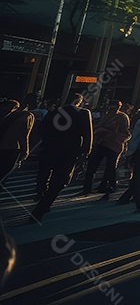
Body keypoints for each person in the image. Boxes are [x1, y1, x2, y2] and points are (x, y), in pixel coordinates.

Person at [31, 94, 93, 223]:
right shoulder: (83, 113)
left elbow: (41, 130)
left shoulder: (53, 112)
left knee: (43, 174)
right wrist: (85, 152)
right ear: (79, 102)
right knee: (59, 180)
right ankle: (42, 207)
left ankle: (41, 192)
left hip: (49, 149)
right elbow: (87, 135)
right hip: (69, 152)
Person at [81, 100, 129, 198]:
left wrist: (112, 137)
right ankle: (88, 187)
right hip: (102, 143)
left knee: (110, 167)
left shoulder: (122, 117)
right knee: (93, 165)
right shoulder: (106, 115)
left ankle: (107, 186)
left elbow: (125, 133)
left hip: (112, 144)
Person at [0, 100, 34, 184]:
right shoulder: (25, 116)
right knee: (3, 175)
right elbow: (23, 135)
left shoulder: (4, 115)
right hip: (11, 148)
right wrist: (25, 152)